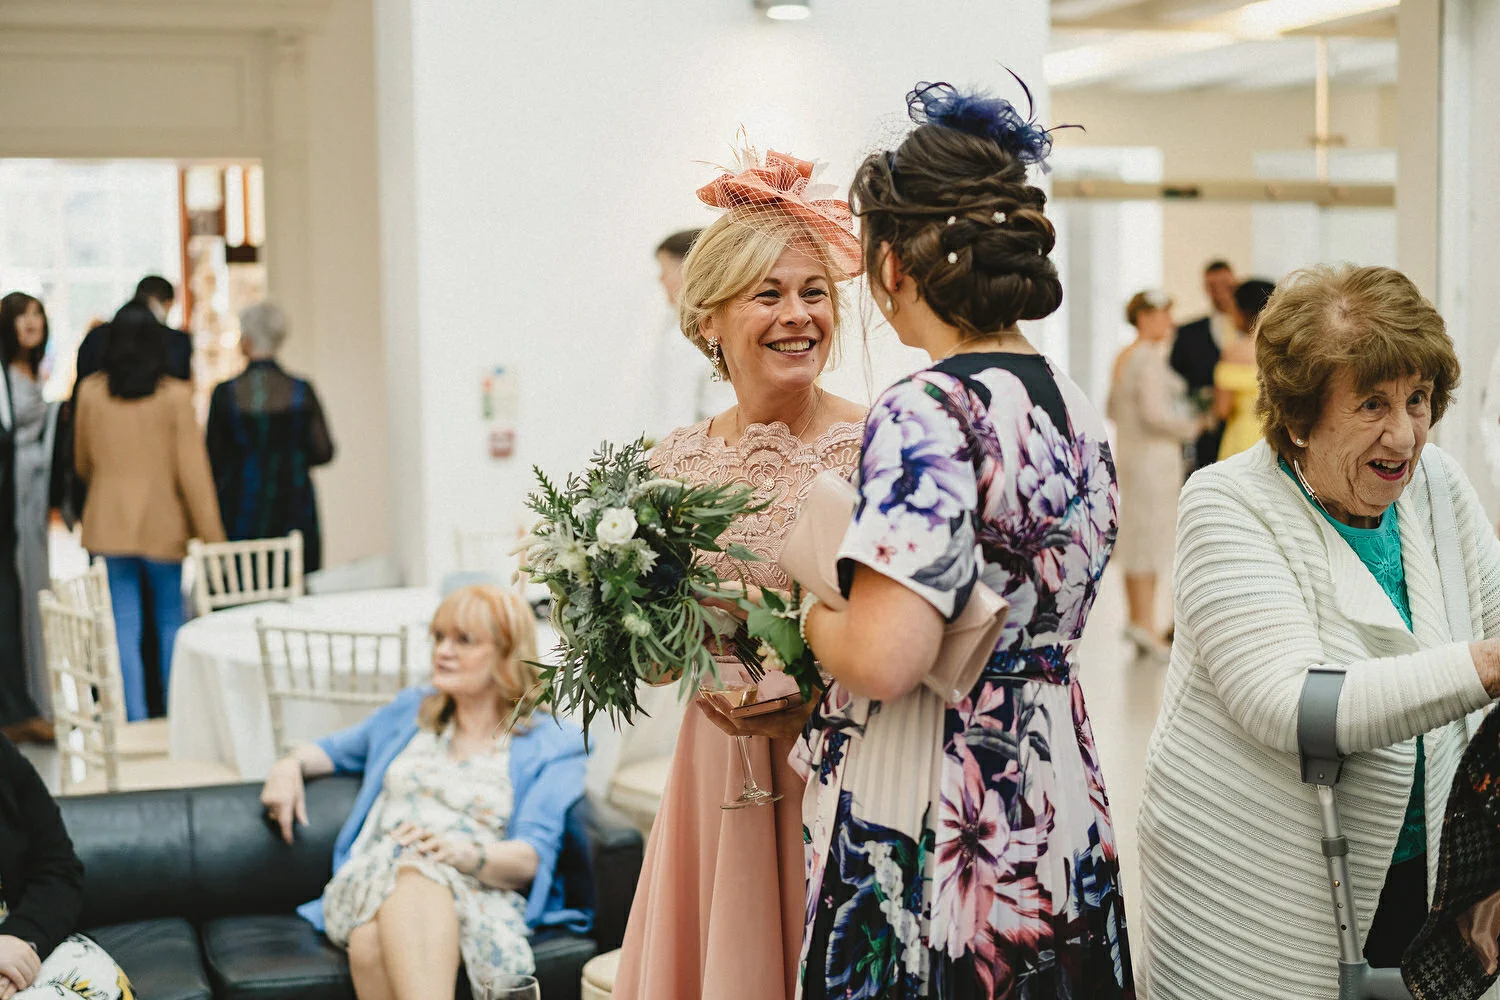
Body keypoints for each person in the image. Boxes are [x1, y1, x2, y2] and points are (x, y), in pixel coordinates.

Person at [796, 81, 1134, 998]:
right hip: (1054, 771)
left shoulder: (929, 407)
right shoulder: (1076, 406)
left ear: (895, 265)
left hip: (947, 786)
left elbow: (886, 655)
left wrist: (811, 616)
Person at [1136, 264, 1500, 999]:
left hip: (1421, 877)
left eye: (1418, 399)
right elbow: (1293, 703)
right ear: (1299, 417)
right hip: (1257, 888)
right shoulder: (1227, 504)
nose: (1404, 433)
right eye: (1372, 404)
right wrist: (1486, 665)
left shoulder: (1437, 488)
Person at [613, 146, 868, 1000]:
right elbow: (651, 657)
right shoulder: (673, 464)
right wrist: (659, 646)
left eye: (815, 292)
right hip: (717, 773)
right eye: (769, 294)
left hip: (847, 764)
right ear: (710, 321)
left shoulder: (882, 444)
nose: (798, 316)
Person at [259, 585, 588, 1000]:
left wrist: (464, 853)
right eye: (438, 637)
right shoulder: (410, 711)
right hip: (376, 872)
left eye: (463, 640)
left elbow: (530, 856)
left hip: (476, 887)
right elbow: (327, 751)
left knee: (372, 939)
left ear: (506, 654)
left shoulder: (554, 743)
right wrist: (288, 765)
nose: (443, 651)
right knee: (413, 868)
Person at [73, 301, 224, 721]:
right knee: (170, 624)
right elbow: (193, 474)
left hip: (108, 522)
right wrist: (214, 538)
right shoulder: (175, 396)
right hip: (163, 524)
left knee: (122, 626)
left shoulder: (90, 393)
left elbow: (83, 461)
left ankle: (134, 719)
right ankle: (178, 716)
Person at [1108, 289, 1211, 659]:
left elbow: (1113, 407)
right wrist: (1195, 424)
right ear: (1146, 318)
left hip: (1132, 454)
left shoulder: (1124, 356)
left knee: (1136, 535)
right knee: (1150, 537)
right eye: (1164, 315)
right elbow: (1155, 414)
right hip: (1154, 459)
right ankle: (1145, 624)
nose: (1169, 323)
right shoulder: (1149, 358)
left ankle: (1138, 619)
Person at [0, 733, 134, 999]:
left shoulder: (4, 758)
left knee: (101, 987)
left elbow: (58, 868)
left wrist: (19, 937)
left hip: (26, 942)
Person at [206, 302, 335, 573]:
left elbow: (213, 457)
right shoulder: (300, 390)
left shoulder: (226, 394)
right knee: (295, 580)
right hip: (294, 504)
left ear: (248, 341)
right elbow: (324, 451)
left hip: (241, 506)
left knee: (244, 586)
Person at [0, 294, 60, 731]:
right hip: (13, 492)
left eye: (38, 313)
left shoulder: (33, 371)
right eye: (23, 314)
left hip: (35, 494)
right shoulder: (4, 376)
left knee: (33, 587)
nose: (32, 321)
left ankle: (34, 698)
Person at [630, 229, 735, 439]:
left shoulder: (684, 337)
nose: (660, 280)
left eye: (664, 269)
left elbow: (676, 419)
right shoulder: (727, 323)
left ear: (688, 270)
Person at [1170, 259, 1239, 471]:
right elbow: (1177, 380)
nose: (1220, 291)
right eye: (1212, 286)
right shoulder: (1187, 333)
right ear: (1205, 289)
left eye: (1226, 285)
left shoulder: (1257, 329)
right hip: (1207, 434)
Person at [1213, 277, 1276, 461]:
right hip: (1277, 435)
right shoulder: (1284, 348)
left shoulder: (1233, 352)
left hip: (1242, 437)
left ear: (1242, 310)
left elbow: (1222, 409)